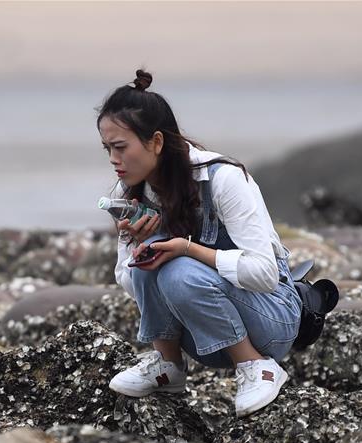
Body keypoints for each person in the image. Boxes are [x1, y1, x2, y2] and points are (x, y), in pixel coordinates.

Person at [99, 70, 301, 417]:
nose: (113, 160)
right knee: (153, 257)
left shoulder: (222, 179)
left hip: (271, 321)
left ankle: (256, 367)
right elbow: (132, 285)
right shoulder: (128, 193)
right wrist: (136, 243)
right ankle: (168, 365)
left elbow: (266, 274)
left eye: (120, 147)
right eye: (107, 149)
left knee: (176, 268)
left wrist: (187, 249)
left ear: (157, 142)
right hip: (201, 338)